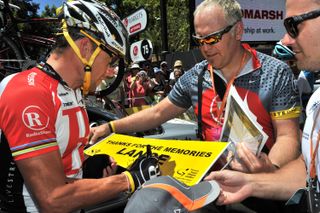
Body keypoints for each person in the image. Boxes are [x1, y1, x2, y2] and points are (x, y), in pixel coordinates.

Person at [91, 0, 300, 174]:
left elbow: (288, 137)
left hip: (263, 187)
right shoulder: (194, 77)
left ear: (238, 31)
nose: (205, 48)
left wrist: (270, 171)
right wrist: (111, 127)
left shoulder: (275, 72)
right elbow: (157, 113)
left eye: (212, 38)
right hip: (213, 182)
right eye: (199, 40)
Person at [0, 0, 159, 212]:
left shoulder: (73, 90)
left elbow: (64, 159)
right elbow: (53, 198)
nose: (112, 71)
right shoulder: (29, 92)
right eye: (110, 59)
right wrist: (128, 180)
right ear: (85, 48)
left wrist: (91, 165)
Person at [205, 0, 320, 211]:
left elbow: (288, 138)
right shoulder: (316, 101)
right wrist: (250, 184)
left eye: (293, 26)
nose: (285, 41)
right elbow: (310, 170)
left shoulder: (277, 73)